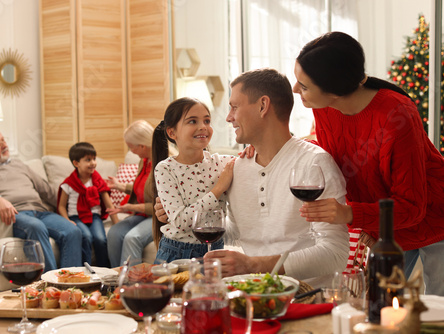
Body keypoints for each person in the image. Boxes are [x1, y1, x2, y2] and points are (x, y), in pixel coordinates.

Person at [157, 69, 350, 288]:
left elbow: (335, 254)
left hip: (307, 297)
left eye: (234, 107)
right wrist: (182, 215)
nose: (228, 117)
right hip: (253, 294)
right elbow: (236, 232)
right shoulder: (236, 168)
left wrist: (254, 265)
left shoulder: (313, 163)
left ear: (262, 106)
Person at [292, 31, 444, 295]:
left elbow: (413, 207)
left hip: (435, 219)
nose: (296, 90)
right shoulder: (323, 106)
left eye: (303, 86)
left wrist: (352, 214)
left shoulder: (398, 116)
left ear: (335, 90)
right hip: (387, 227)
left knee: (437, 315)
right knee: (376, 306)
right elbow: (344, 155)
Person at [0, 127, 82, 272]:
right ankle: (50, 285)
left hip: (41, 212)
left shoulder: (19, 165)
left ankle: (71, 285)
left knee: (72, 231)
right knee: (36, 226)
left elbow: (46, 190)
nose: (4, 145)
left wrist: (71, 208)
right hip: (17, 215)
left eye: (3, 140)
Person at [151, 97, 236, 263]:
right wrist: (218, 189)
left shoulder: (221, 162)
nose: (203, 127)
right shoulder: (165, 169)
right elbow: (181, 221)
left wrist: (253, 149)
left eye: (207, 120)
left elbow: (255, 158)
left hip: (215, 249)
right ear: (172, 132)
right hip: (176, 253)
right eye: (192, 121)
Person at [57, 142, 117, 267]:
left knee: (100, 239)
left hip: (94, 217)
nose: (93, 163)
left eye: (94, 159)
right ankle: (86, 270)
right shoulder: (68, 183)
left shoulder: (97, 180)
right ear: (76, 163)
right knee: (87, 237)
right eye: (88, 160)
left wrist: (117, 224)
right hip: (76, 218)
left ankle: (104, 270)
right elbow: (61, 206)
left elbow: (108, 204)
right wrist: (67, 220)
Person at [106, 120, 155, 268]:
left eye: (131, 147)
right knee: (114, 232)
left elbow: (165, 206)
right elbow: (143, 188)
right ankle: (117, 280)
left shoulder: (163, 163)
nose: (130, 151)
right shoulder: (144, 160)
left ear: (142, 146)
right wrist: (120, 186)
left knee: (132, 238)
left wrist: (133, 207)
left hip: (158, 216)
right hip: (143, 214)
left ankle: (132, 286)